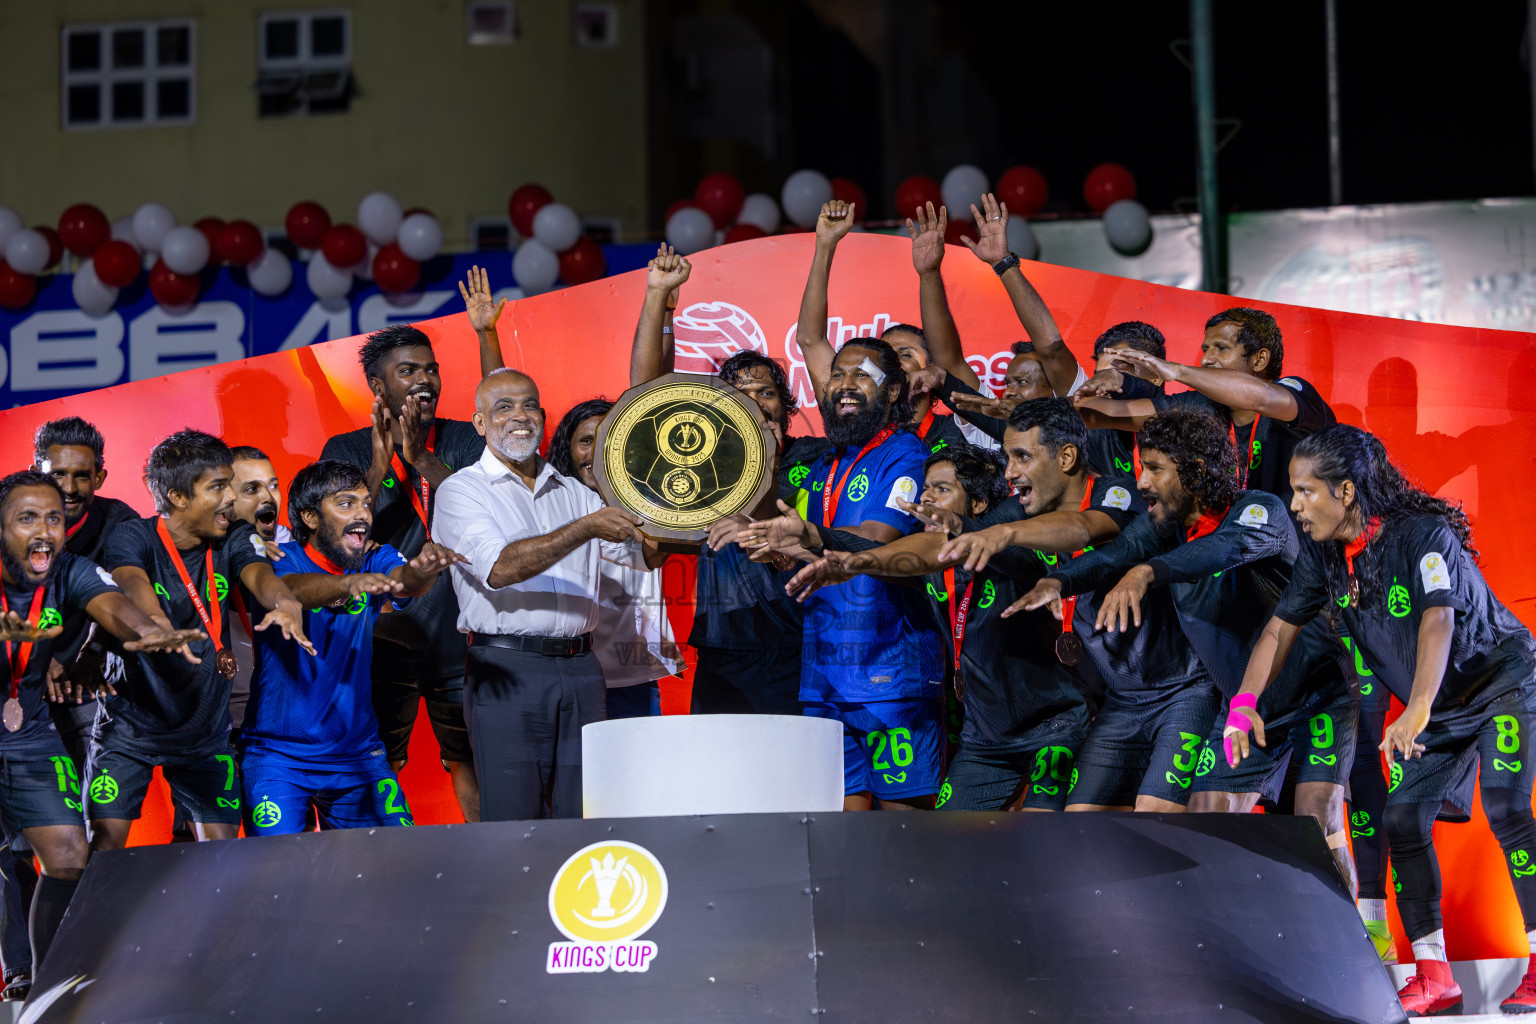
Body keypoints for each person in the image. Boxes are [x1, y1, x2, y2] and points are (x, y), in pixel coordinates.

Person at [1231, 425, 1536, 1016]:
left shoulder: (1423, 535)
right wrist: (1245, 703)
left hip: (1501, 683)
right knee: (1401, 817)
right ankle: (1433, 973)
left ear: (1345, 492)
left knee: (1508, 806)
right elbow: (1279, 628)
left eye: (1304, 491)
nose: (1293, 505)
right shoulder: (1325, 557)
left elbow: (1437, 622)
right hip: (1440, 707)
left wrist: (1415, 710)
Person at [505, 253, 819, 717]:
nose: (754, 403)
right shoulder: (707, 468)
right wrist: (656, 300)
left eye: (765, 393)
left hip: (799, 645)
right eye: (740, 396)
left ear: (786, 404)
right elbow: (646, 397)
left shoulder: (814, 460)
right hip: (721, 648)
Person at [786, 409, 1139, 812]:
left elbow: (1081, 527)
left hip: (1057, 728)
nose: (926, 499)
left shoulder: (1024, 530)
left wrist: (991, 533)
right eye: (925, 489)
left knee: (1049, 840)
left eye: (940, 489)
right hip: (985, 738)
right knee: (947, 850)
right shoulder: (987, 530)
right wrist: (840, 553)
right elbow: (927, 551)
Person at [432, 369, 665, 821]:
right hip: (506, 671)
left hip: (582, 669)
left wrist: (676, 506)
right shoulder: (462, 491)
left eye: (529, 405)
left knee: (585, 814)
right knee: (513, 821)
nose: (520, 416)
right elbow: (500, 568)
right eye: (504, 407)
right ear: (479, 423)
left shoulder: (576, 492)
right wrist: (587, 528)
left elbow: (645, 556)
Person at [0, 471, 204, 970]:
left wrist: (150, 630)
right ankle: (19, 973)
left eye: (53, 518)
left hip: (26, 736)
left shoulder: (68, 569)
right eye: (27, 519)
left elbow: (113, 604)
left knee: (69, 856)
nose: (45, 530)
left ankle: (51, 988)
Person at [737, 339, 943, 811]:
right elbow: (806, 545)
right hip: (827, 675)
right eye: (837, 375)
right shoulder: (827, 463)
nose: (845, 386)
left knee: (904, 831)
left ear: (892, 392)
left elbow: (879, 536)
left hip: (891, 675)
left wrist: (806, 535)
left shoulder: (906, 455)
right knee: (840, 825)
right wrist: (765, 530)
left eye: (862, 375)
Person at [89, 430, 313, 852]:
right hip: (130, 729)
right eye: (217, 486)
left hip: (205, 734)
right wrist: (154, 624)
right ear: (177, 497)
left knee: (221, 860)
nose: (231, 497)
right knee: (100, 855)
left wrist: (285, 602)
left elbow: (259, 576)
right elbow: (130, 581)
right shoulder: (132, 536)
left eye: (230, 483)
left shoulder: (234, 536)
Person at [241, 460, 463, 836]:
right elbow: (293, 590)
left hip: (358, 756)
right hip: (279, 757)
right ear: (311, 518)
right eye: (346, 504)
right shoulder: (278, 559)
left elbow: (402, 582)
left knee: (395, 864)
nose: (362, 514)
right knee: (278, 878)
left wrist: (423, 570)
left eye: (365, 503)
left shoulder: (375, 557)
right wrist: (348, 584)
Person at [321, 324, 483, 822]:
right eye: (407, 370)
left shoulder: (462, 437)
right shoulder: (344, 448)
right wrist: (378, 464)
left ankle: (495, 860)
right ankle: (379, 870)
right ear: (377, 385)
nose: (425, 379)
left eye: (431, 368)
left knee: (468, 759)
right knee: (378, 761)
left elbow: (490, 509)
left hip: (462, 636)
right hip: (381, 640)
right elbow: (335, 536)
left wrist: (419, 458)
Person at [793, 200, 975, 453]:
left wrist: (929, 273)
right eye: (884, 358)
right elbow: (810, 340)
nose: (894, 362)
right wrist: (825, 244)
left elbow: (950, 359)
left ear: (931, 368)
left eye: (905, 354)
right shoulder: (856, 420)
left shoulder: (959, 429)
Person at [545, 399, 682, 718]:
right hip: (567, 674)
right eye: (586, 441)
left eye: (608, 438)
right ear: (569, 449)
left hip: (633, 676)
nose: (596, 452)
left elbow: (653, 552)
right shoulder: (551, 506)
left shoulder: (651, 502)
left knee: (638, 768)